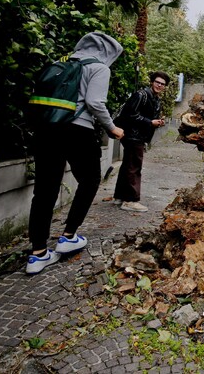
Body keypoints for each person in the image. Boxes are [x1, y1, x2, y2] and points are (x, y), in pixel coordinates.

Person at [26, 32, 125, 274]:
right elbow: (95, 103)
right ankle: (69, 235)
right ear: (108, 51)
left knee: (45, 189)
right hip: (77, 130)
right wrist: (111, 128)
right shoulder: (99, 68)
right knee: (90, 180)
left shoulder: (63, 64)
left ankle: (38, 254)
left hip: (46, 129)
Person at [112, 71, 169, 212]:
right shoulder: (141, 95)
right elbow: (130, 115)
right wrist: (150, 122)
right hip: (133, 135)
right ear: (152, 82)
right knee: (134, 166)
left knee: (128, 165)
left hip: (138, 136)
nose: (159, 85)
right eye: (157, 82)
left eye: (162, 84)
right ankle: (130, 200)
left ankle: (119, 197)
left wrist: (156, 122)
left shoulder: (155, 98)